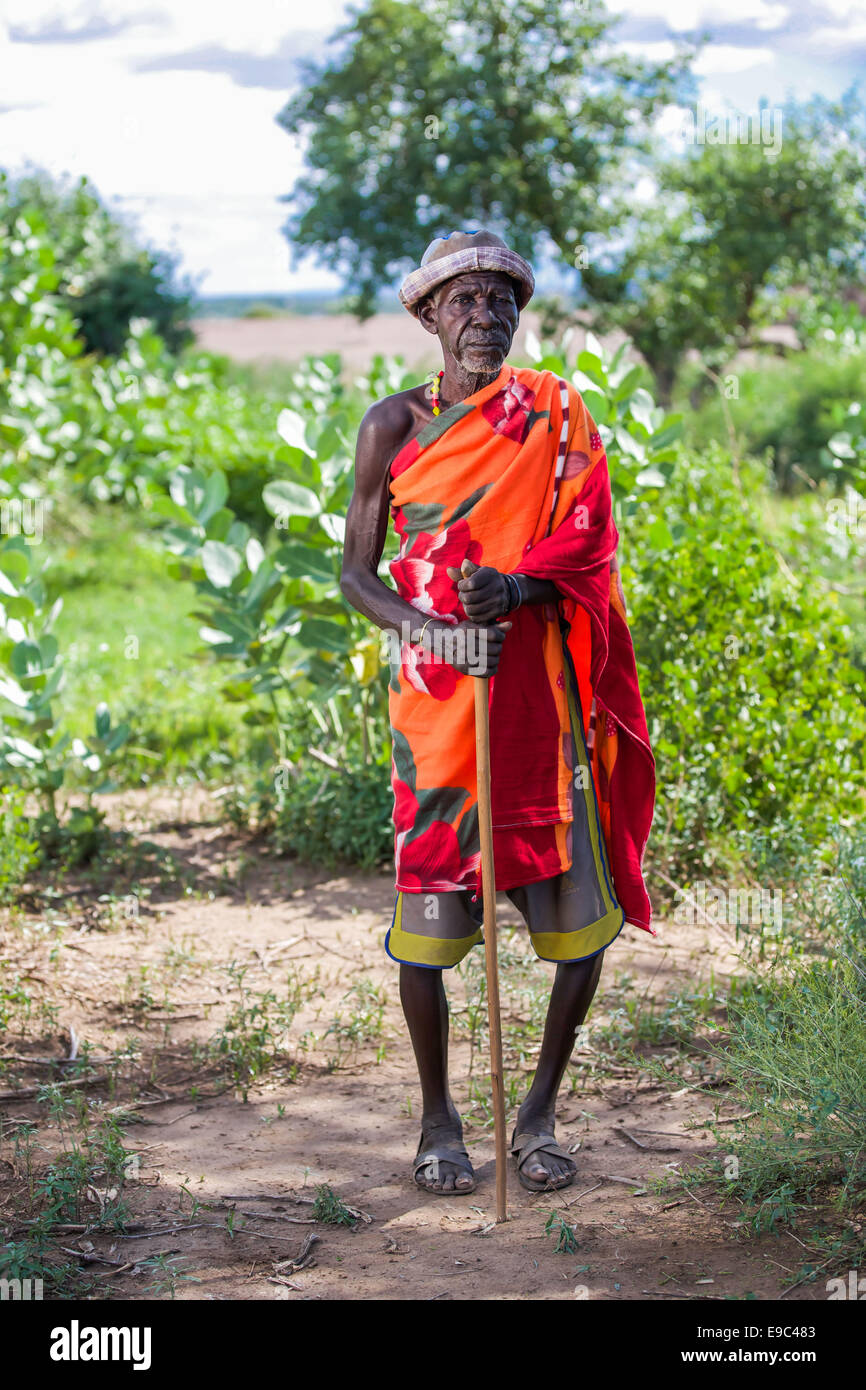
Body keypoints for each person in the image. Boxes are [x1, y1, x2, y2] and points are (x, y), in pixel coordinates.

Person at [340, 229, 655, 1195]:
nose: (487, 317)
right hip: (437, 711)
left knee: (577, 928)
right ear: (430, 315)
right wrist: (437, 633)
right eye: (466, 300)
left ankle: (539, 1113)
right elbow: (355, 577)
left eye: (503, 301)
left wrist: (515, 593)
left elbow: (590, 549)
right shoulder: (390, 427)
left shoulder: (558, 416)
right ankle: (439, 1121)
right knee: (430, 934)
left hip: (540, 704)